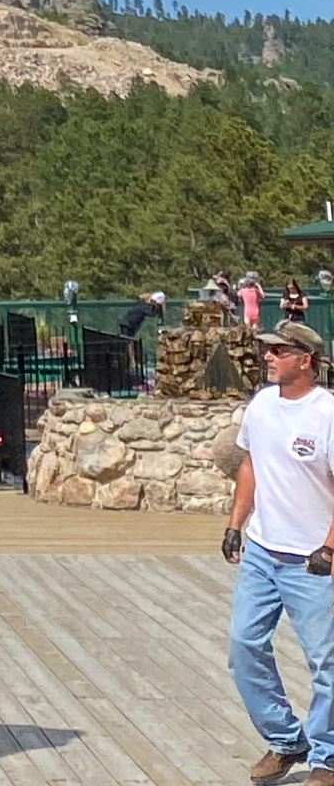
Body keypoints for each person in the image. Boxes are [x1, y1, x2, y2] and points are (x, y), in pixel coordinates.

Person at [224, 320, 334, 786]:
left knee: (325, 663)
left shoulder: (327, 414)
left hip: (314, 560)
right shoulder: (262, 404)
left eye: (277, 351)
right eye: (266, 349)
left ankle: (327, 759)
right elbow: (250, 462)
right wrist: (235, 524)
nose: (266, 357)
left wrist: (329, 546)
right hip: (263, 552)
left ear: (304, 360)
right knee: (244, 646)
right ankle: (288, 739)